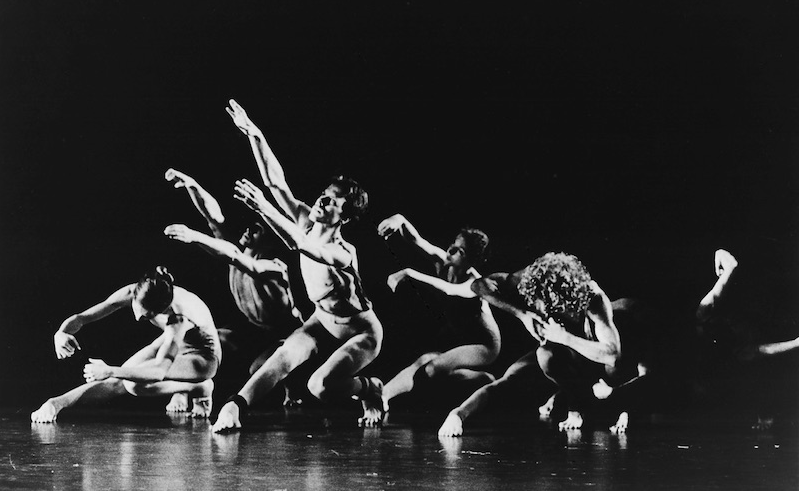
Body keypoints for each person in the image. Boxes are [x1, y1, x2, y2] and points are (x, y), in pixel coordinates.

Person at [211, 99, 382, 432]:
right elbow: (277, 184)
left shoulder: (343, 252)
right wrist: (254, 134)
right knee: (284, 356)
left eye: (333, 201)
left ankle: (370, 388)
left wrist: (263, 209)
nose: (322, 200)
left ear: (345, 217)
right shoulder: (306, 218)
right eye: (324, 194)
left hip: (360, 331)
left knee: (320, 386)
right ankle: (234, 407)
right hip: (321, 319)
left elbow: (302, 245)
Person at [438, 252, 652, 436]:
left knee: (612, 376)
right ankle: (458, 414)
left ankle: (600, 404)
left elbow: (612, 354)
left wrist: (565, 337)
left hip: (595, 358)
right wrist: (522, 314)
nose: (545, 307)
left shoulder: (592, 297)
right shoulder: (532, 281)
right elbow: (479, 284)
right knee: (527, 367)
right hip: (565, 357)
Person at [163, 167, 304, 407]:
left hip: (284, 334)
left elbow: (241, 261)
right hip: (251, 331)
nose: (247, 230)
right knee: (199, 339)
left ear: (268, 237)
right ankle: (183, 389)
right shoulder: (236, 250)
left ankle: (293, 389)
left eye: (256, 229)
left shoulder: (275, 266)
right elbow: (214, 218)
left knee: (258, 368)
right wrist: (192, 184)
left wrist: (194, 236)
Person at [30, 267, 221, 422]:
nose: (138, 318)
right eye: (138, 310)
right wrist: (62, 332)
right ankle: (55, 404)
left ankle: (198, 387)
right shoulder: (134, 291)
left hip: (202, 357)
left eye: (147, 316)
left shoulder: (178, 318)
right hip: (171, 342)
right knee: (120, 381)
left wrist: (110, 370)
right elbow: (82, 318)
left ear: (163, 309)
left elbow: (158, 372)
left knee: (133, 385)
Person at [362, 214, 499, 426]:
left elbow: (449, 289)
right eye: (453, 245)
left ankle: (484, 381)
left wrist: (408, 273)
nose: (450, 251)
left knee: (431, 369)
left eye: (459, 251)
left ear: (470, 260)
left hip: (484, 345)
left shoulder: (475, 283)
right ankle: (383, 396)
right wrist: (399, 220)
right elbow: (416, 240)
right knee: (424, 360)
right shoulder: (444, 262)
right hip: (462, 338)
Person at [695, 248, 799, 430]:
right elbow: (763, 350)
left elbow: (763, 350)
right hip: (725, 347)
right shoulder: (735, 346)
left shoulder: (706, 314)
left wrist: (720, 258)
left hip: (722, 333)